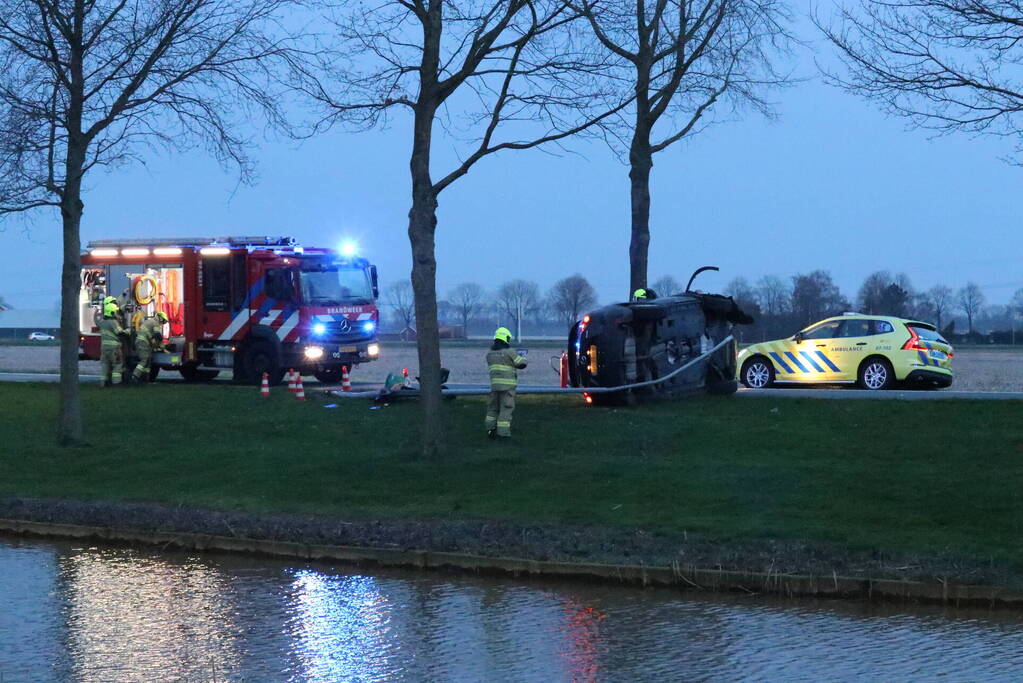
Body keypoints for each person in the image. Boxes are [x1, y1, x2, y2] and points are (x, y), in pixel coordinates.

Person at [485, 327, 527, 440]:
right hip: (507, 387)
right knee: (506, 409)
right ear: (505, 339)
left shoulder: (489, 354)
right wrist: (522, 356)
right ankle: (503, 434)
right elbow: (522, 364)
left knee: (492, 409)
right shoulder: (510, 352)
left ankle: (490, 430)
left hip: (494, 387)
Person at [132, 311, 168, 384]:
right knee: (144, 360)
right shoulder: (155, 323)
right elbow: (157, 335)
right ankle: (135, 376)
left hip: (143, 343)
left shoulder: (149, 321)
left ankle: (146, 379)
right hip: (143, 343)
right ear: (160, 318)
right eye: (163, 321)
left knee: (148, 362)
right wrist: (162, 347)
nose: (163, 323)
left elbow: (152, 337)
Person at [99, 299, 128, 387]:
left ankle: (103, 383)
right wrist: (128, 331)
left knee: (105, 364)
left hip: (104, 347)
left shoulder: (103, 322)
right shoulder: (113, 322)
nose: (116, 313)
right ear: (112, 312)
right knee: (117, 364)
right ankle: (116, 383)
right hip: (114, 347)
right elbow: (120, 332)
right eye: (115, 311)